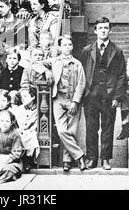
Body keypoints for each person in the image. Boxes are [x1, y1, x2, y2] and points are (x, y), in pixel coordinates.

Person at [80, 17, 128, 171]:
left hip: (109, 95)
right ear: (95, 30)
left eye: (106, 28)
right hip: (91, 94)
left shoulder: (117, 51)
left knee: (108, 127)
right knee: (91, 127)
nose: (103, 30)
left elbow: (121, 75)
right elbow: (82, 73)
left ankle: (106, 159)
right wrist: (84, 94)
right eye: (100, 28)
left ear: (110, 30)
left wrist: (116, 97)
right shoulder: (87, 50)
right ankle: (92, 158)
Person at [48, 35, 88, 172]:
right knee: (61, 130)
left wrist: (75, 102)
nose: (67, 47)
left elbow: (81, 84)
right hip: (58, 98)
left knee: (71, 130)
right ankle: (80, 156)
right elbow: (36, 63)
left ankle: (67, 161)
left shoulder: (77, 64)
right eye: (64, 45)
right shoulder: (53, 61)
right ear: (60, 47)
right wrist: (46, 72)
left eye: (69, 45)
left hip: (72, 99)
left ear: (72, 47)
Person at [12, 86, 39, 173]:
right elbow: (14, 122)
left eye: (25, 96)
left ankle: (29, 160)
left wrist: (32, 129)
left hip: (32, 131)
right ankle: (20, 159)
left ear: (33, 97)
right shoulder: (19, 109)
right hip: (21, 130)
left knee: (32, 137)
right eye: (22, 97)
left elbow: (37, 123)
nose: (23, 99)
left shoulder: (37, 109)